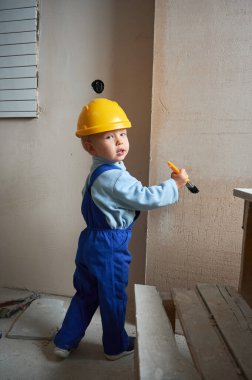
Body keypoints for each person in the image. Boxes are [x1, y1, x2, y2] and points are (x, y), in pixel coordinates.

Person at [53, 98, 188, 360]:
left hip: (89, 242)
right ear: (90, 146)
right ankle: (115, 346)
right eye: (109, 136)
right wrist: (175, 185)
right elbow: (144, 197)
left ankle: (64, 341)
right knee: (113, 295)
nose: (120, 141)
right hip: (109, 246)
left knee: (86, 293)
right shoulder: (115, 177)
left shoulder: (98, 172)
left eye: (123, 134)